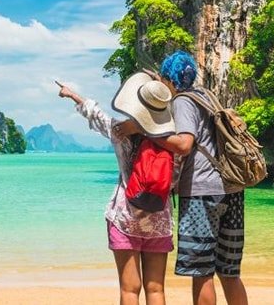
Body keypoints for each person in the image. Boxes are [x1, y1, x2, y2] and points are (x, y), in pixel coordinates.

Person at [58, 72, 183, 305]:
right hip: (160, 219)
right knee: (156, 290)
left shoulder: (122, 132)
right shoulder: (174, 141)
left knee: (129, 290)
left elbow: (97, 115)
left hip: (126, 216)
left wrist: (72, 95)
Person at [157, 51, 248, 305]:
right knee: (229, 271)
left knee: (202, 271)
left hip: (201, 192)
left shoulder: (183, 101)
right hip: (232, 189)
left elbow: (185, 144)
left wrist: (152, 135)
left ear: (169, 80)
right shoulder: (208, 96)